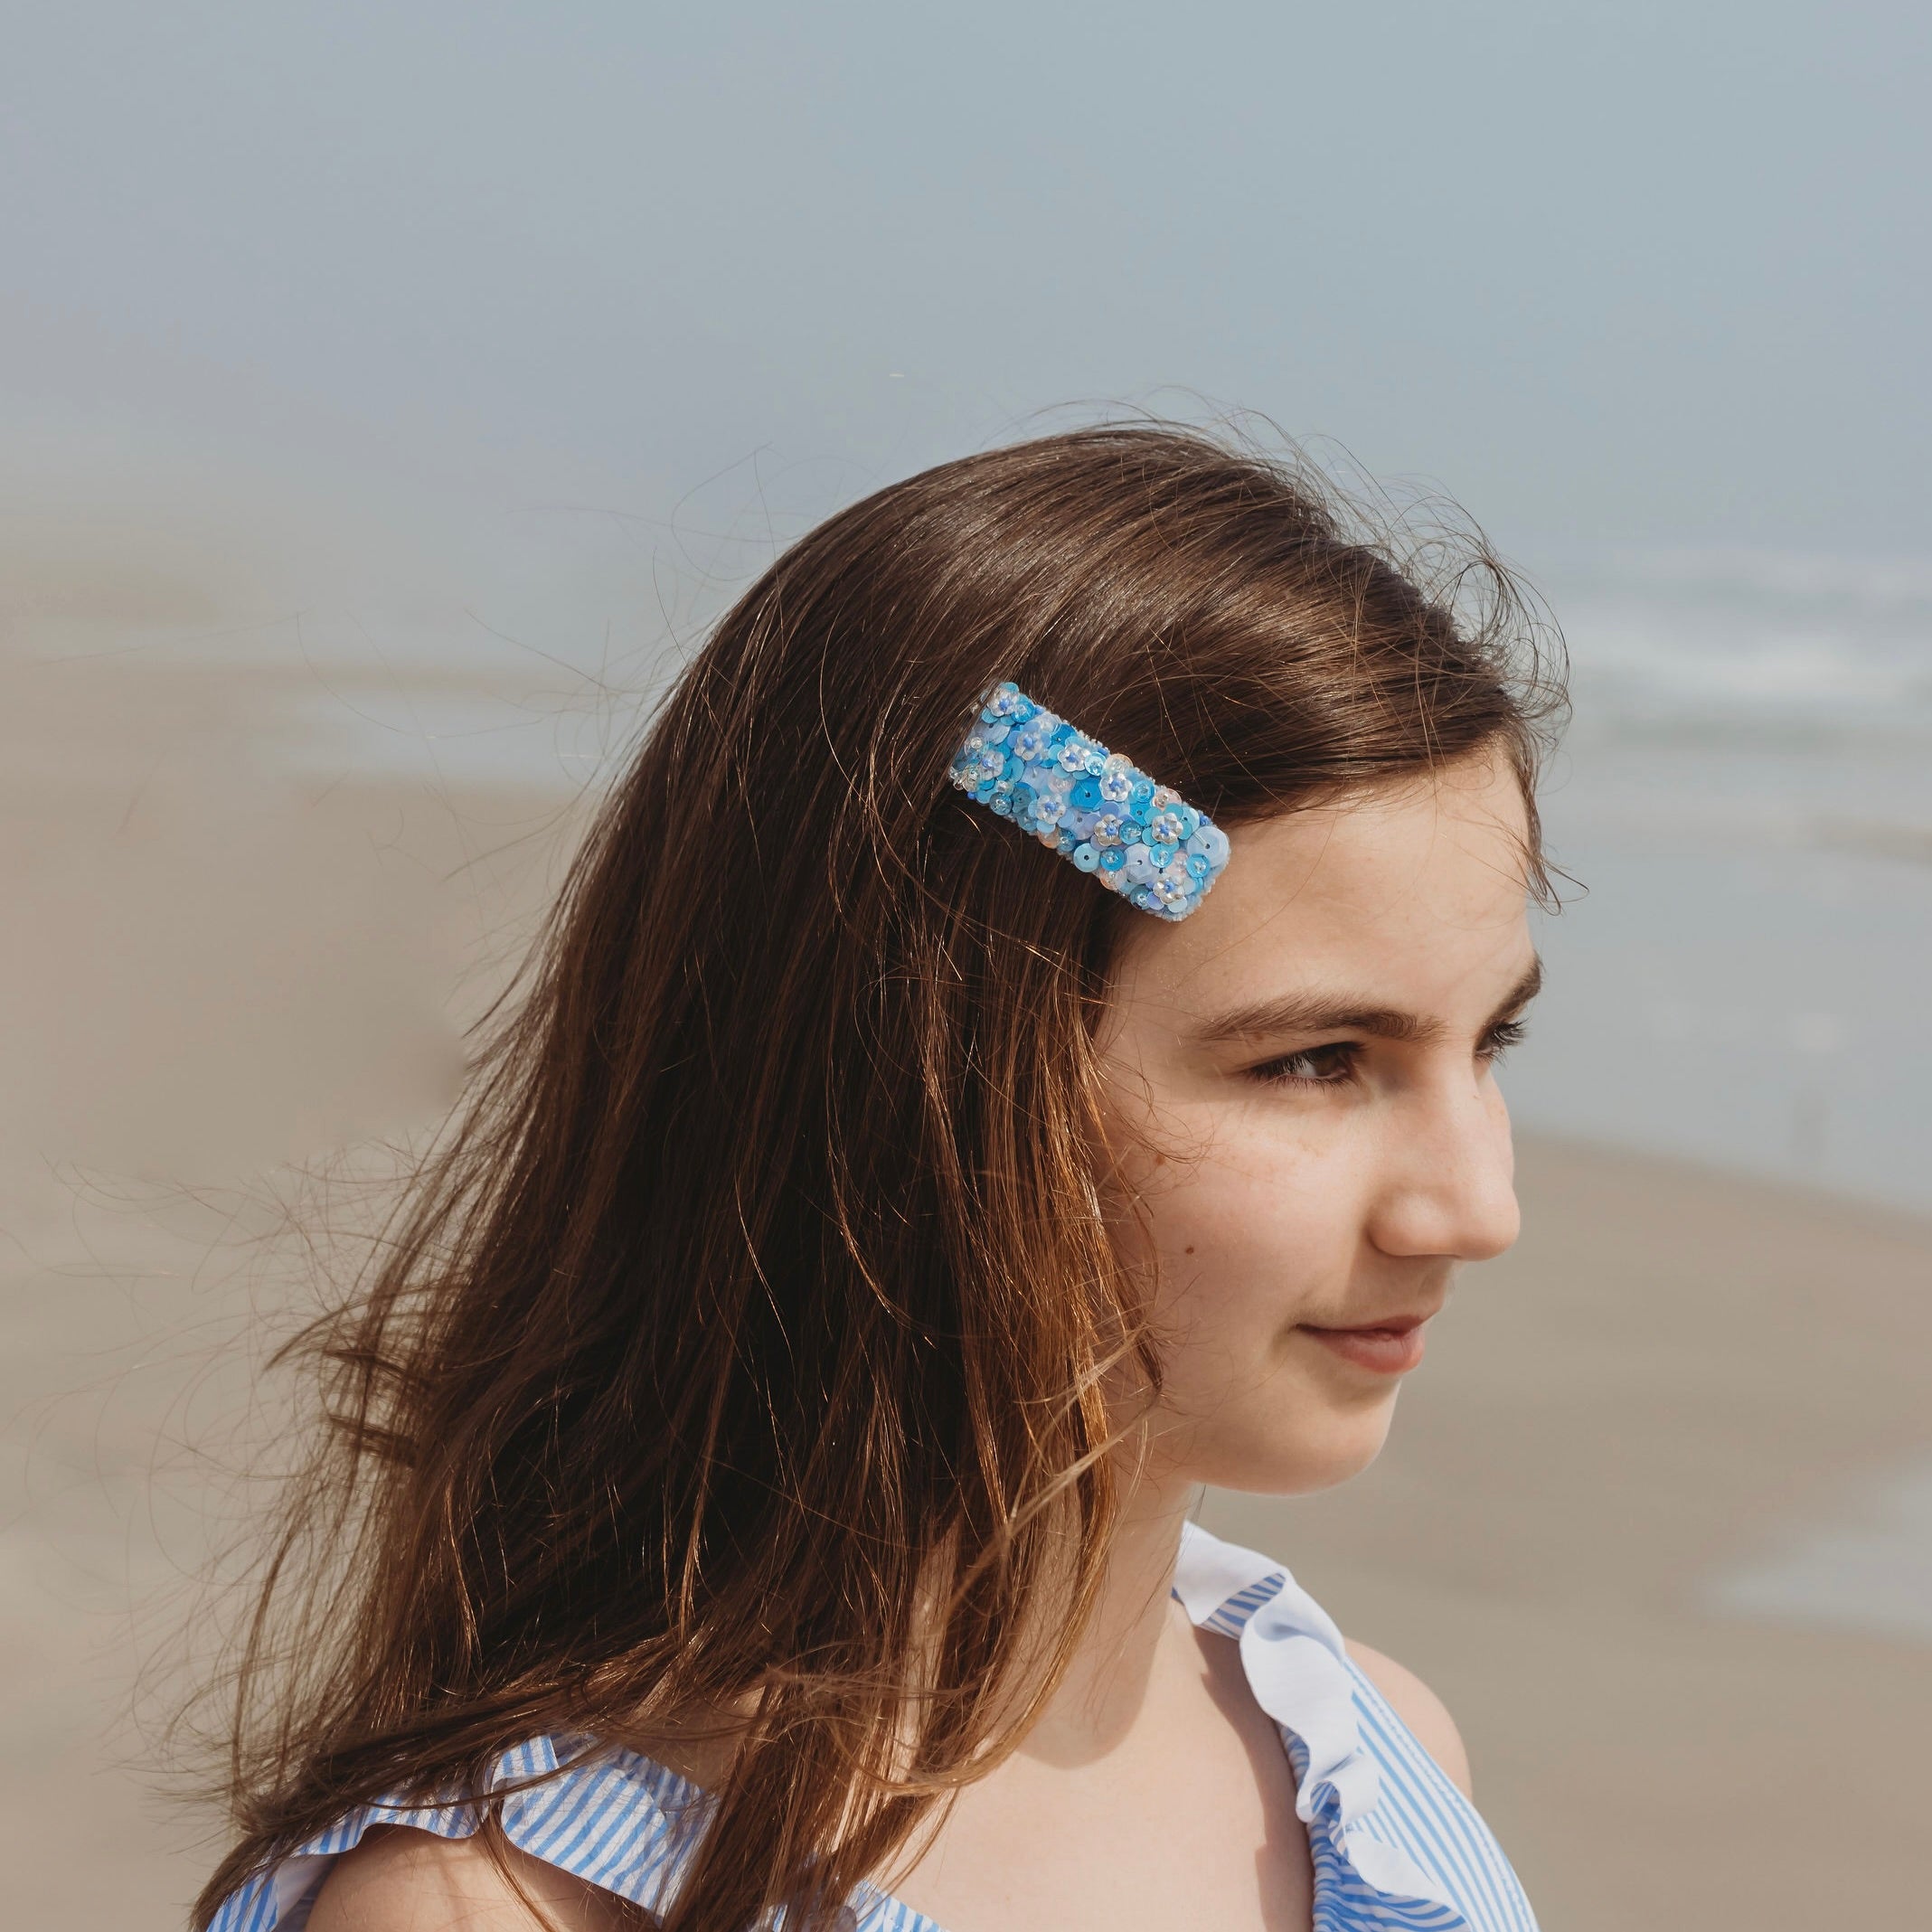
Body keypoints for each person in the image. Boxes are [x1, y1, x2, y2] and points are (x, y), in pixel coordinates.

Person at [194, 423, 1562, 1931]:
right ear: (918, 1089)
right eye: (1313, 1057)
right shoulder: (505, 1912)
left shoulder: (1378, 1769)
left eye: (1486, 1037)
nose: (1470, 1207)